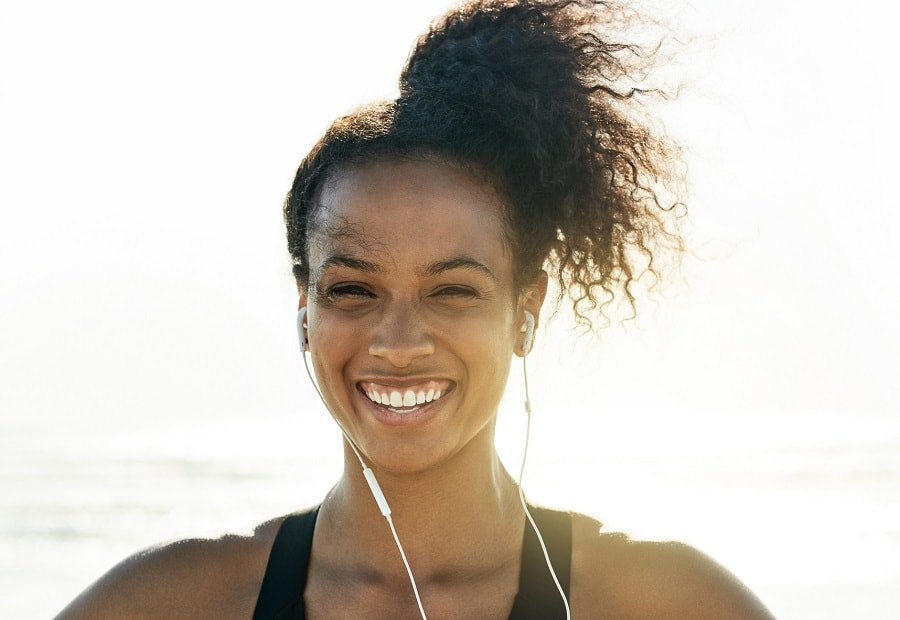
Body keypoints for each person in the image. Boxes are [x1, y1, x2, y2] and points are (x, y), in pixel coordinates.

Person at [56, 1, 775, 618]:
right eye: (353, 290)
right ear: (305, 309)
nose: (398, 342)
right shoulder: (173, 604)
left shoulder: (668, 603)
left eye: (453, 291)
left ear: (526, 308)